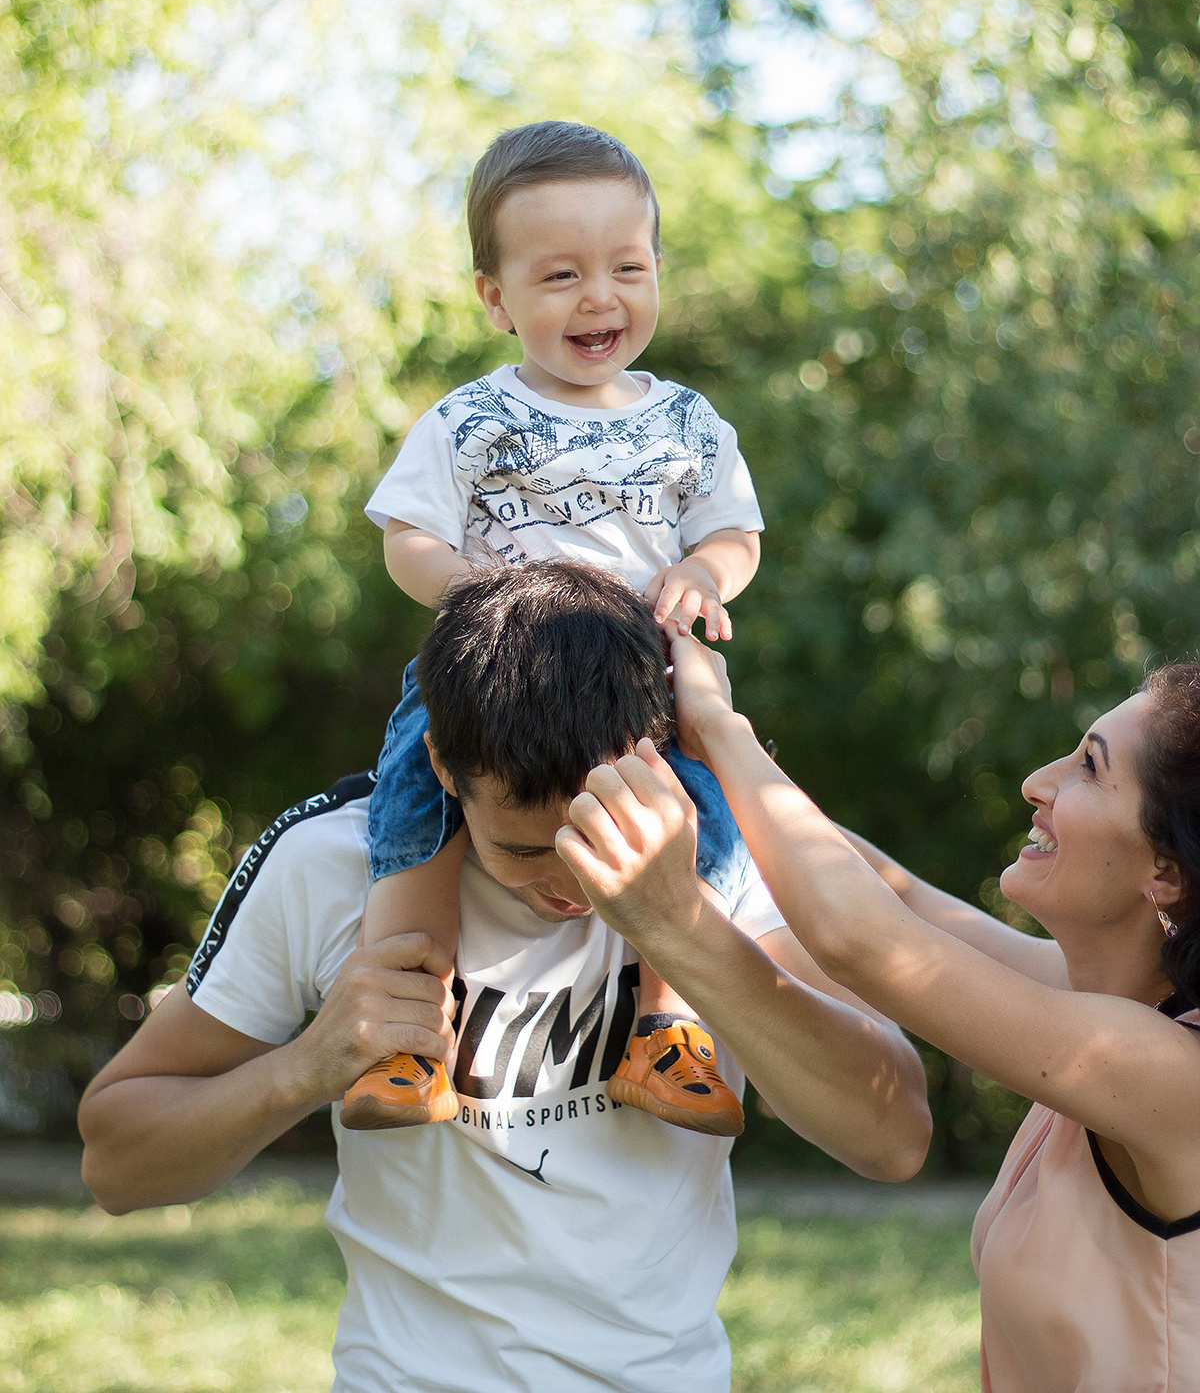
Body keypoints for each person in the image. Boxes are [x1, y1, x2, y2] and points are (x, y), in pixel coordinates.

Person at [78, 562, 931, 1393]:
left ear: (663, 754)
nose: (572, 887)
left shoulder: (730, 857)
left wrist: (681, 929)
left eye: (595, 834)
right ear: (443, 766)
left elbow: (893, 1137)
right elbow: (115, 1162)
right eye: (523, 851)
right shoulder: (327, 862)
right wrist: (304, 1068)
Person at [635, 631, 1200, 1393]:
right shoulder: (1099, 1002)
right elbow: (896, 897)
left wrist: (717, 726)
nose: (1037, 783)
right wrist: (703, 772)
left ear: (1166, 871)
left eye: (1089, 768)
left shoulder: (1167, 1075)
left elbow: (865, 941)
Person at [346, 118, 765, 1133]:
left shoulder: (687, 423)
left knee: (705, 818)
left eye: (627, 267)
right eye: (561, 275)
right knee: (413, 803)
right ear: (496, 298)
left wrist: (702, 573)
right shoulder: (469, 420)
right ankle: (406, 1041)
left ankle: (668, 1031)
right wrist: (464, 584)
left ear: (657, 269)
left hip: (636, 680)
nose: (599, 297)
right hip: (495, 669)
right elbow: (406, 536)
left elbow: (736, 534)